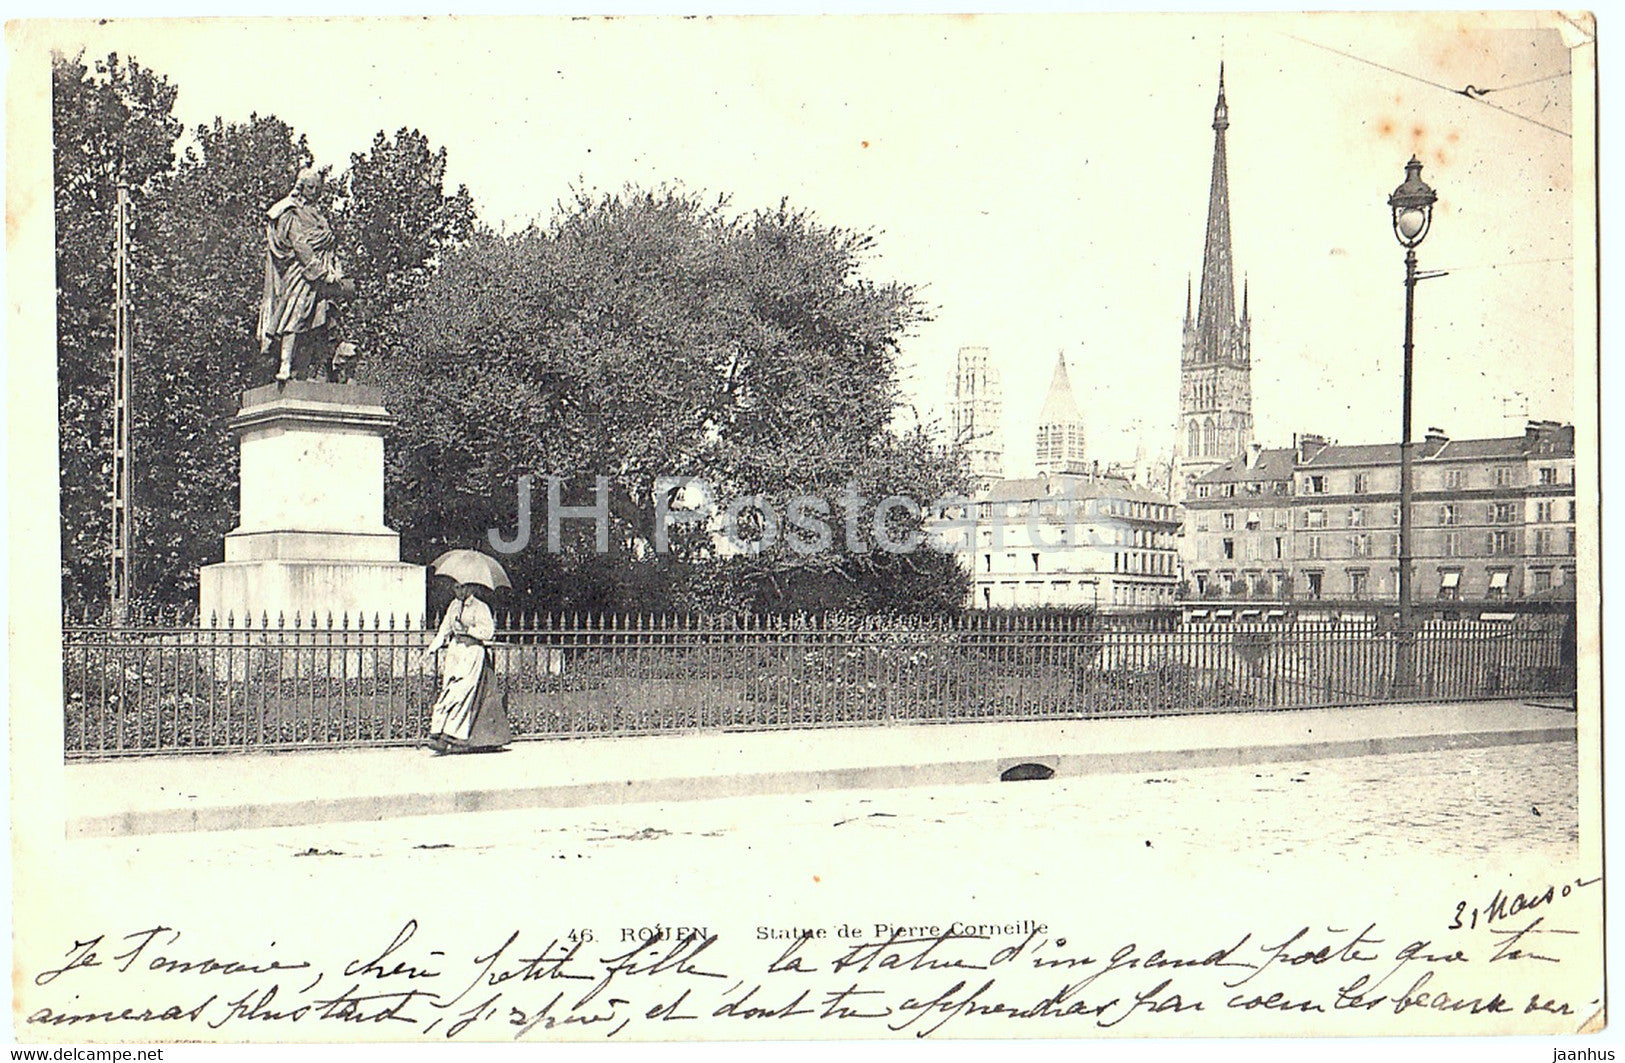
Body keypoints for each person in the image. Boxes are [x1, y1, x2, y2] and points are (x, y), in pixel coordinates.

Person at [256, 167, 355, 382]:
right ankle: (285, 365)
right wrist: (319, 272)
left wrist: (334, 271)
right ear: (302, 186)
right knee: (294, 316)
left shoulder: (316, 213)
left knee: (320, 321)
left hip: (321, 278)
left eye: (318, 188)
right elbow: (299, 244)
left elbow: (328, 245)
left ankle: (311, 370)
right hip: (301, 274)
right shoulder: (289, 210)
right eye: (312, 187)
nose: (315, 192)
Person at [420, 583, 512, 753]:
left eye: (462, 588)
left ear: (471, 588)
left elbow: (488, 631)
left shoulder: (480, 607)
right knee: (448, 691)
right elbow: (444, 629)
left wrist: (468, 629)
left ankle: (449, 737)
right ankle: (438, 733)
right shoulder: (454, 605)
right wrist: (431, 649)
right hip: (456, 653)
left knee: (462, 693)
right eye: (456, 588)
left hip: (472, 652)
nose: (459, 592)